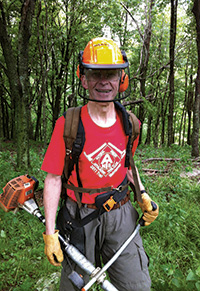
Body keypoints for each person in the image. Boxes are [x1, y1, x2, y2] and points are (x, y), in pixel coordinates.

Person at [41, 37, 159, 291]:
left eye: (111, 74)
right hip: (79, 218)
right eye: (95, 74)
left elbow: (127, 166)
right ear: (83, 79)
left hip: (121, 214)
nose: (103, 82)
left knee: (136, 285)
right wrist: (50, 233)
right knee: (75, 286)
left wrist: (143, 194)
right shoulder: (68, 125)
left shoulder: (131, 124)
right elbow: (52, 179)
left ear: (121, 80)